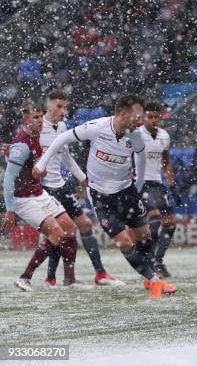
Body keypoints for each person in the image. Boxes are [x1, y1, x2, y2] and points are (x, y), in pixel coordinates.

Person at [33, 94, 176, 298]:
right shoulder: (97, 127)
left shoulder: (135, 135)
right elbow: (62, 138)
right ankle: (154, 281)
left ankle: (148, 276)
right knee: (125, 242)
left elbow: (141, 157)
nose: (140, 119)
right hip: (100, 195)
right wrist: (41, 163)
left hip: (126, 191)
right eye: (137, 115)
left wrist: (138, 185)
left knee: (144, 236)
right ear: (123, 114)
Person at [39, 89, 123, 287]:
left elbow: (67, 158)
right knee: (61, 231)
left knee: (84, 224)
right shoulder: (36, 126)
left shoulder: (62, 127)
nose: (62, 111)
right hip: (43, 189)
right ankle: (51, 278)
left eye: (65, 107)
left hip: (60, 185)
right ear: (48, 105)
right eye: (59, 106)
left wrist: (83, 178)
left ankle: (100, 274)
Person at [3, 102, 77, 292]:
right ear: (25, 119)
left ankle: (70, 281)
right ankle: (24, 278)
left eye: (40, 116)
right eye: (35, 117)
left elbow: (28, 168)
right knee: (57, 233)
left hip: (38, 192)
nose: (39, 121)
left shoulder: (34, 137)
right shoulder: (21, 143)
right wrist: (10, 210)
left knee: (69, 228)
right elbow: (9, 179)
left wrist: (39, 173)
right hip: (24, 200)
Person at [138, 101, 180, 278]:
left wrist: (172, 184)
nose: (153, 120)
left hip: (157, 183)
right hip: (140, 183)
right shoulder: (136, 135)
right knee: (154, 218)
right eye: (150, 117)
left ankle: (158, 260)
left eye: (156, 117)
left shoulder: (164, 136)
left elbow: (165, 161)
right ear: (143, 118)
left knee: (170, 223)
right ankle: (148, 261)